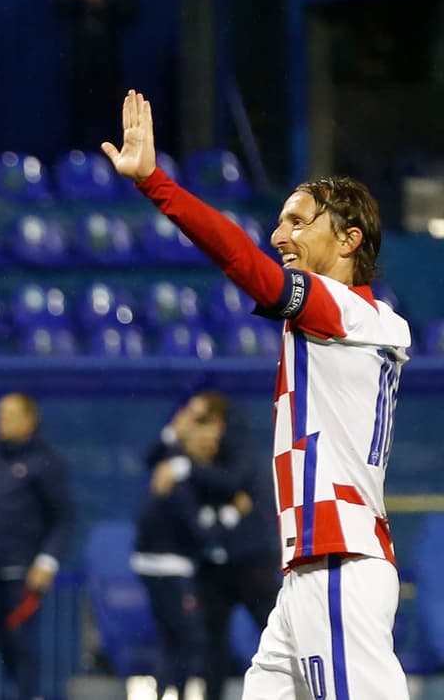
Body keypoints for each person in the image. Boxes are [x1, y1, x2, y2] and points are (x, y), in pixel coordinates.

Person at [104, 90, 412, 699]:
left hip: (338, 562)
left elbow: (244, 262)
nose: (279, 234)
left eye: (298, 221)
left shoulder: (349, 313)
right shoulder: (353, 322)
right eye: (279, 221)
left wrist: (156, 184)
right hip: (310, 568)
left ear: (348, 240)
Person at [148, 391, 279, 700]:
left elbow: (232, 481)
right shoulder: (194, 452)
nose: (192, 421)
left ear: (217, 420)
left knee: (276, 630)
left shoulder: (239, 448)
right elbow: (152, 462)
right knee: (210, 644)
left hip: (252, 560)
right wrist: (173, 436)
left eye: (198, 415)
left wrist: (186, 469)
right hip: (212, 564)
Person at [0, 394, 74, 700]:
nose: (0, 420)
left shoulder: (46, 462)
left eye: (9, 415)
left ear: (30, 420)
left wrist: (47, 562)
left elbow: (65, 518)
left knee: (22, 643)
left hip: (25, 572)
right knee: (1, 643)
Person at [130, 397, 228, 700]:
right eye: (203, 432)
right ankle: (169, 694)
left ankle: (171, 693)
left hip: (168, 563)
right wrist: (229, 516)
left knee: (177, 639)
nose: (210, 442)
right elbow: (198, 530)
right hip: (166, 565)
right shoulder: (174, 467)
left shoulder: (188, 467)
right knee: (188, 639)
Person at [55, 0, 138, 152]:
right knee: (78, 116)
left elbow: (129, 12)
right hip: (80, 62)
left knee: (111, 115)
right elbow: (57, 10)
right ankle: (77, 162)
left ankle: (115, 162)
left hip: (109, 63)